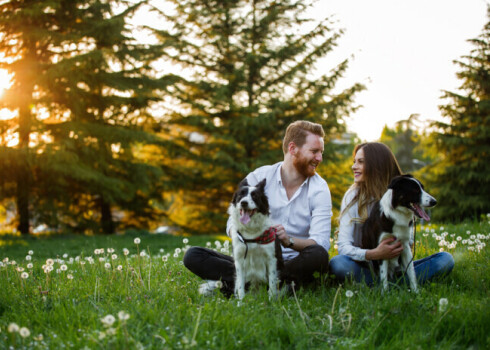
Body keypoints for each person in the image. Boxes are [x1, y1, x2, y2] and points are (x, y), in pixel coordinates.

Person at [183, 120, 332, 296]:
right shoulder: (258, 177)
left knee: (319, 255)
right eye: (314, 151)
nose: (319, 158)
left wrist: (288, 240)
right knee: (193, 255)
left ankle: (238, 285)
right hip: (253, 260)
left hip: (293, 264)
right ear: (293, 149)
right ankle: (273, 287)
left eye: (321, 152)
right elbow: (232, 220)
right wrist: (251, 235)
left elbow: (321, 243)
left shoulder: (320, 189)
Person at [329, 142, 454, 286]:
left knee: (445, 259)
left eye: (360, 162)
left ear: (377, 165)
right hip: (365, 266)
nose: (354, 166)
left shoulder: (403, 192)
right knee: (338, 264)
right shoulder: (352, 196)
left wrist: (401, 244)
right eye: (354, 162)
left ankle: (385, 284)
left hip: (396, 267)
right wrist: (374, 254)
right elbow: (343, 248)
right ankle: (395, 284)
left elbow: (408, 242)